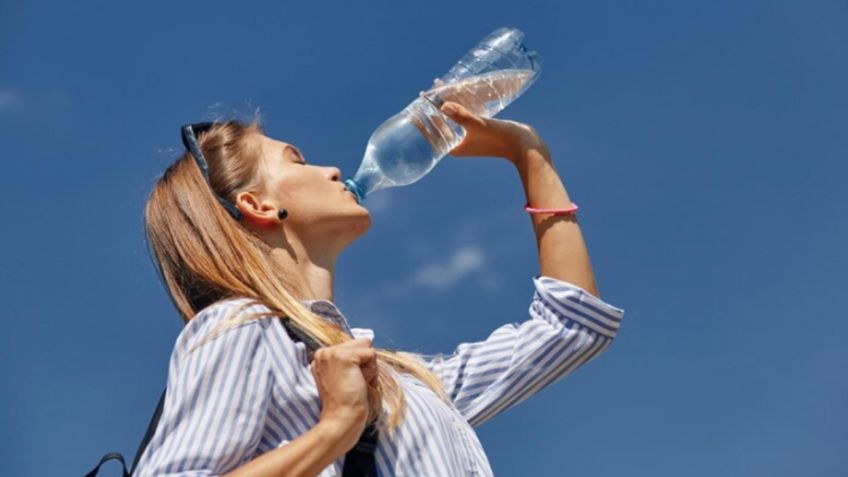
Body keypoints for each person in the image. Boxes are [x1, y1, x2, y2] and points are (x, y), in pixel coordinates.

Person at [133, 100, 626, 477]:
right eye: (298, 160)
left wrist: (529, 155)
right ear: (258, 206)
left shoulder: (399, 381)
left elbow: (573, 328)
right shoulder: (240, 327)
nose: (329, 170)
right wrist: (335, 429)